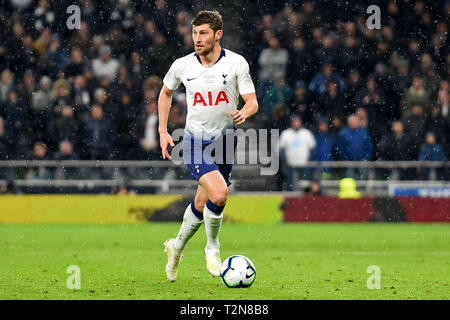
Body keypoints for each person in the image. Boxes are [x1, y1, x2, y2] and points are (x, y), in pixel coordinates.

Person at [158, 11, 258, 282]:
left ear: (218, 35)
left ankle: (176, 246)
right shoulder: (183, 65)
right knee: (221, 194)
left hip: (225, 141)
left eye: (203, 33)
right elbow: (165, 92)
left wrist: (245, 112)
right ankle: (212, 246)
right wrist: (163, 130)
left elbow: (252, 101)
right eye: (194, 33)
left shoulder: (236, 64)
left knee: (204, 203)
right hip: (193, 141)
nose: (197, 38)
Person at [279, 115, 316, 191]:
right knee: (290, 184)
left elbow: (313, 148)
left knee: (304, 183)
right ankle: (291, 200)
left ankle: (304, 200)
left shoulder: (306, 133)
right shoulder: (286, 133)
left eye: (297, 121)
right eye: (294, 121)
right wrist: (285, 160)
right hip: (290, 164)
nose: (296, 123)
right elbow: (281, 148)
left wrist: (309, 160)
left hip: (303, 164)